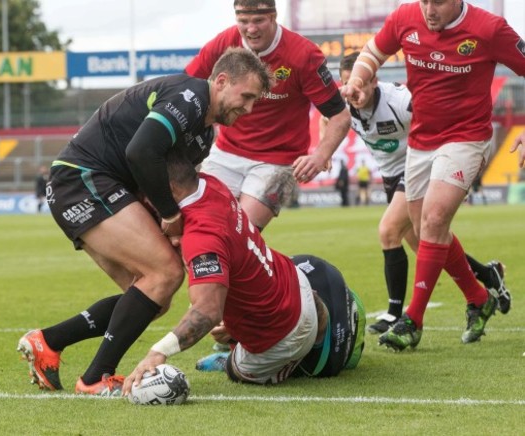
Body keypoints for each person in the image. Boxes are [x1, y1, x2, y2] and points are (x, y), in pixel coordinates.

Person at [16, 47, 275, 395]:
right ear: (222, 81)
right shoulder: (190, 97)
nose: (249, 108)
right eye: (246, 97)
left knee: (151, 297)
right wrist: (168, 216)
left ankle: (48, 341)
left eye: (255, 101)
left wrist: (172, 222)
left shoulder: (204, 135)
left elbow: (164, 179)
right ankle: (95, 378)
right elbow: (140, 152)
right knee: (164, 273)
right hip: (83, 180)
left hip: (102, 187)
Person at [342, 0, 525, 350]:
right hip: (421, 142)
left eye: (437, 1)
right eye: (424, 0)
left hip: (467, 138)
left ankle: (412, 320)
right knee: (424, 230)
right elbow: (372, 52)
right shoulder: (404, 18)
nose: (428, 10)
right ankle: (478, 294)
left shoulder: (489, 29)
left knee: (435, 217)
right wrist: (358, 78)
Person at [122, 151, 364, 393]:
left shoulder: (201, 237)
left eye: (150, 194)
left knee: (237, 368)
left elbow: (207, 311)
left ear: (171, 189)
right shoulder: (211, 185)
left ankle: (243, 361)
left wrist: (158, 352)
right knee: (229, 305)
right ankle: (315, 333)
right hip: (297, 286)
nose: (148, 201)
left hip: (282, 335)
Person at [184, 0, 351, 231]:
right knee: (203, 226)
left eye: (258, 20)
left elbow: (340, 116)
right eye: (243, 21)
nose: (251, 29)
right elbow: (186, 87)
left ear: (273, 16)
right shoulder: (224, 43)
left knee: (241, 233)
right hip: (226, 153)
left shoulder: (303, 55)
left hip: (279, 162)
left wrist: (321, 155)